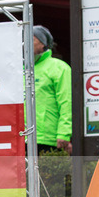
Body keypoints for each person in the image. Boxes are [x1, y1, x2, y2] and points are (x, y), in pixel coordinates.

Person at [32, 25, 72, 154]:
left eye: (31, 39)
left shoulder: (59, 68)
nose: (24, 43)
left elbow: (67, 102)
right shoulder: (18, 68)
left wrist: (64, 133)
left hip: (48, 139)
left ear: (43, 44)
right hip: (22, 139)